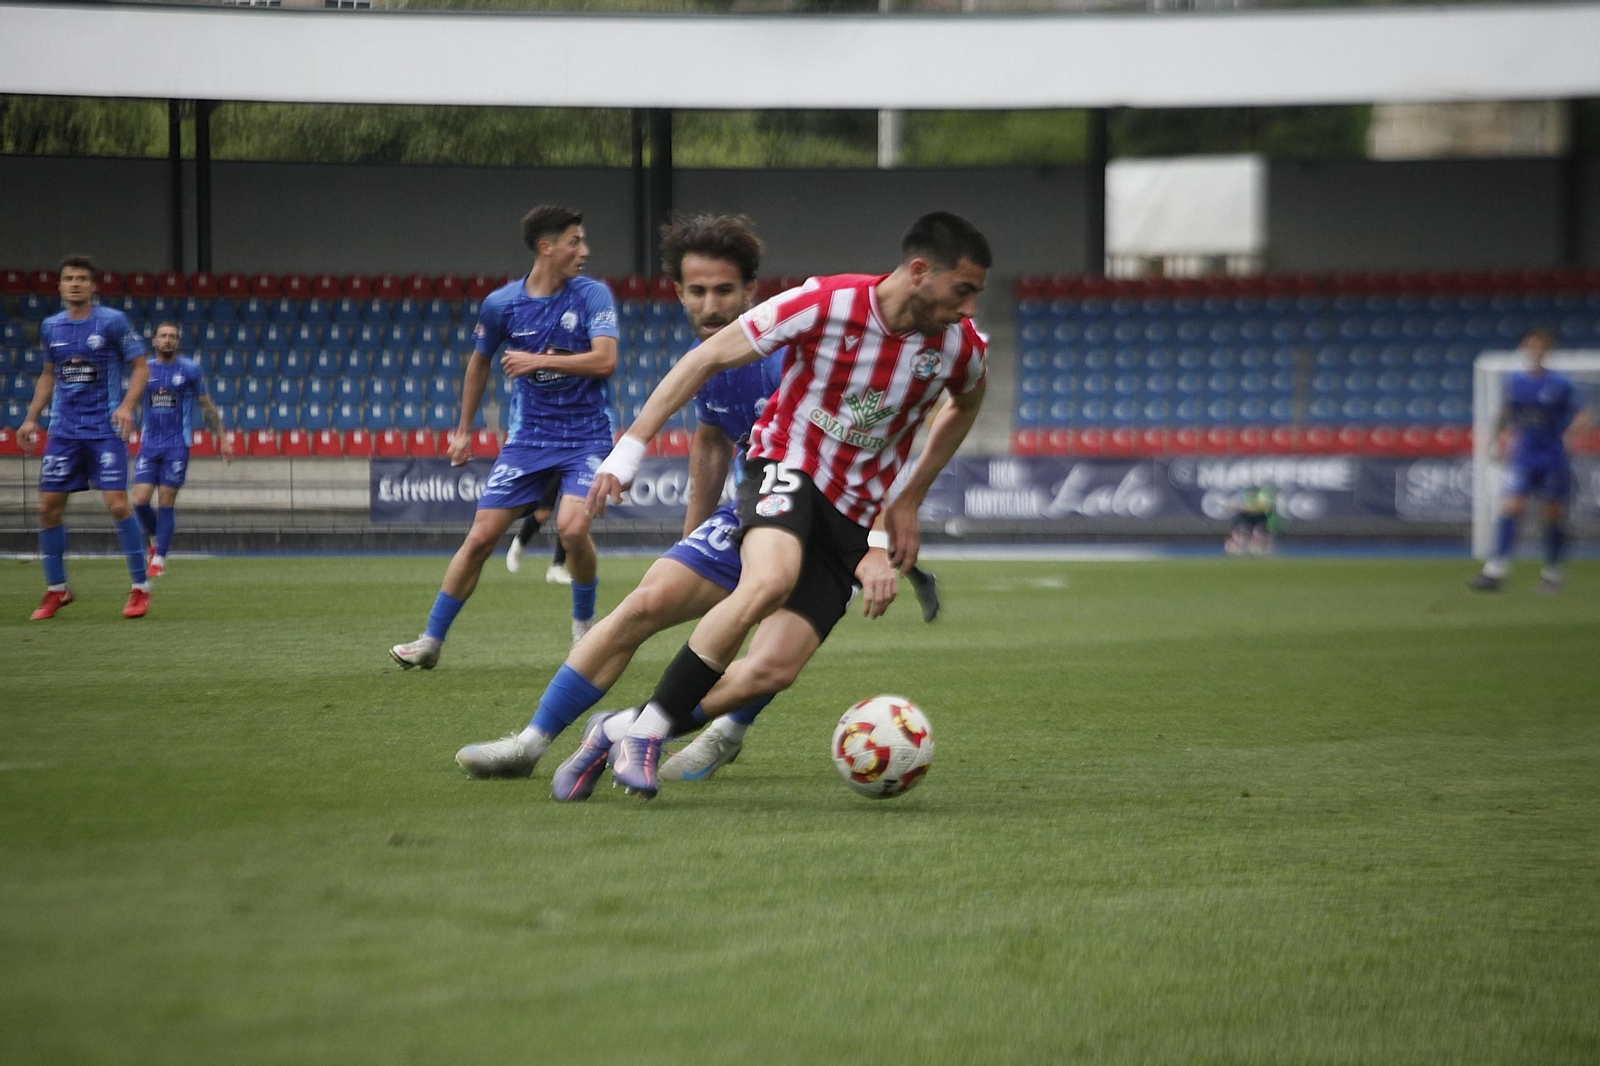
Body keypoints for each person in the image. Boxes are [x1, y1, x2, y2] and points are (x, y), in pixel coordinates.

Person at [583, 210, 993, 800]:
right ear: (921, 271)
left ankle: (620, 726)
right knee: (768, 581)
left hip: (852, 513)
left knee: (772, 670)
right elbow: (704, 359)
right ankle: (648, 736)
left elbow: (966, 404)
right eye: (963, 290)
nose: (970, 307)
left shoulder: (959, 348)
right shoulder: (825, 303)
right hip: (787, 465)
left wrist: (907, 500)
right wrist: (630, 449)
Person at [455, 212, 787, 792]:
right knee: (643, 603)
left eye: (725, 290)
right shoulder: (703, 362)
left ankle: (723, 733)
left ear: (752, 291)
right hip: (752, 506)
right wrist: (692, 535)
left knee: (771, 640)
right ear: (679, 293)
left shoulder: (792, 350)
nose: (711, 305)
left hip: (824, 514)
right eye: (698, 291)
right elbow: (711, 441)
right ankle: (529, 743)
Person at [389, 205, 619, 668]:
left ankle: (584, 630)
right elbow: (479, 362)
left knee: (573, 530)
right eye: (575, 241)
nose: (584, 251)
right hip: (528, 440)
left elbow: (604, 361)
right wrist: (462, 431)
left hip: (587, 438)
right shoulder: (502, 304)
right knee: (479, 539)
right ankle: (431, 641)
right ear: (546, 247)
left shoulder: (593, 295)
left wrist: (539, 361)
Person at [19, 254, 153, 620]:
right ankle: (57, 590)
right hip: (64, 430)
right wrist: (32, 419)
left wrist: (126, 406)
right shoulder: (51, 327)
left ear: (94, 286)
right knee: (47, 508)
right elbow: (49, 374)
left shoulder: (112, 322)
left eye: (81, 278)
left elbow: (141, 367)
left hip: (104, 429)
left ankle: (141, 588)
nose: (75, 283)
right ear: (59, 286)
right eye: (68, 278)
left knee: (118, 504)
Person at [1470, 328, 1591, 593]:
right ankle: (1495, 570)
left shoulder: (1561, 384)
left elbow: (1583, 415)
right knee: (1510, 508)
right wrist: (1496, 440)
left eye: (1540, 346)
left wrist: (1573, 432)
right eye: (1530, 345)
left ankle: (1553, 572)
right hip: (1523, 456)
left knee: (1551, 516)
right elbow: (1506, 411)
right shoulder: (1515, 381)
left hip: (1552, 457)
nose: (1534, 351)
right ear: (1524, 348)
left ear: (1548, 350)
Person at [132, 321, 233, 577]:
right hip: (149, 444)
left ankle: (160, 559)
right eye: (163, 336)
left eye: (172, 336)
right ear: (154, 340)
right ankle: (156, 540)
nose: (168, 340)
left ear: (178, 342)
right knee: (139, 500)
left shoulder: (190, 369)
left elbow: (206, 404)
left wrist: (222, 437)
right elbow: (132, 401)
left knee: (167, 499)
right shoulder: (144, 370)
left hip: (177, 444)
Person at [505, 473, 572, 584]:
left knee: (570, 516)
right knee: (543, 514)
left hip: (577, 462)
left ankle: (557, 566)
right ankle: (521, 541)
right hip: (553, 462)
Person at [1224, 482, 1279, 557]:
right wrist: (1242, 507)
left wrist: (1260, 508)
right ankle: (1236, 547)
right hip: (1246, 516)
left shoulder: (1262, 495)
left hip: (1259, 516)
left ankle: (1260, 549)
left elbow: (1268, 506)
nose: (1252, 493)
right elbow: (1231, 504)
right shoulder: (1242, 495)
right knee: (1242, 532)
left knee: (1260, 533)